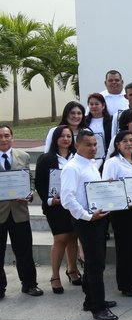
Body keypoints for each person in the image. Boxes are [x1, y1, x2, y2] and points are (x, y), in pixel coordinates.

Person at [60, 129, 116, 320]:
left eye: (95, 144)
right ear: (77, 146)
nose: (93, 148)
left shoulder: (91, 164)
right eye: (88, 145)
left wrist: (106, 186)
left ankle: (91, 300)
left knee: (96, 263)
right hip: (87, 221)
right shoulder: (72, 167)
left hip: (98, 218)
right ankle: (98, 308)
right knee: (95, 264)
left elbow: (93, 190)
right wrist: (87, 217)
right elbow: (67, 199)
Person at [102, 131, 132, 297]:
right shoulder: (112, 162)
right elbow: (108, 187)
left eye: (131, 140)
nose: (129, 143)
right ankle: (126, 285)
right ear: (117, 145)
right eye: (125, 141)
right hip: (122, 211)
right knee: (124, 248)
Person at [34, 126, 81, 294]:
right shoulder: (46, 159)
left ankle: (73, 270)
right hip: (55, 206)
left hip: (73, 204)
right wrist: (49, 200)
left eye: (69, 136)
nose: (66, 139)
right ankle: (55, 276)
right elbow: (39, 183)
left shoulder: (77, 157)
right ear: (55, 139)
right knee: (61, 238)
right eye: (62, 136)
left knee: (73, 236)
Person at [0, 125, 43, 300]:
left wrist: (29, 193)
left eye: (6, 135)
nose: (3, 139)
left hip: (20, 212)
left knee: (24, 250)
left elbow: (30, 181)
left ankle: (29, 284)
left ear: (12, 137)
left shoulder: (23, 156)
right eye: (0, 136)